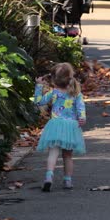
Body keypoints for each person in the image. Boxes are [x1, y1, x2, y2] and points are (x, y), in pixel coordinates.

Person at [34, 63, 86, 192]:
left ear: (54, 80)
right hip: (71, 127)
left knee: (53, 153)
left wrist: (39, 86)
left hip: (55, 125)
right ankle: (67, 180)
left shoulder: (54, 93)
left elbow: (39, 102)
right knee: (68, 156)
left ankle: (49, 177)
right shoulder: (75, 93)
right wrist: (82, 118)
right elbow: (81, 108)